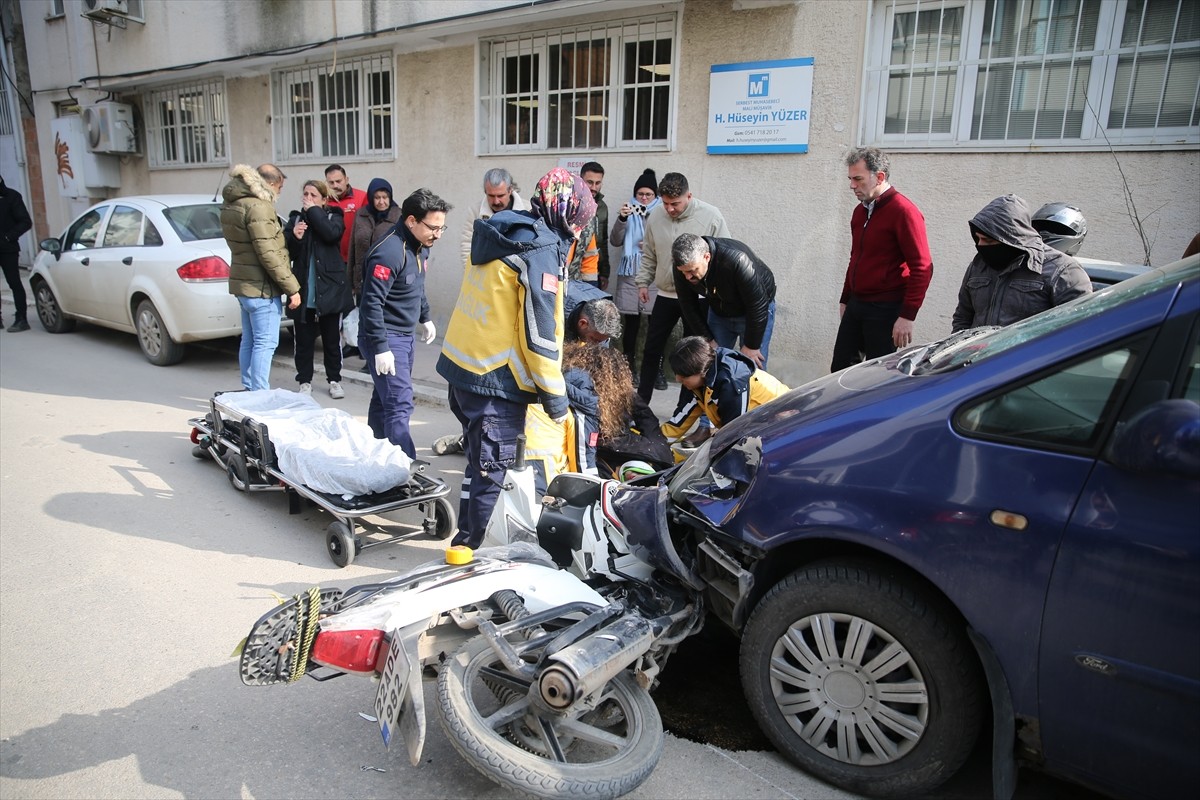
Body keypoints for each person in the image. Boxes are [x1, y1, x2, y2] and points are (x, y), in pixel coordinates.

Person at [437, 167, 595, 549]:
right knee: (493, 473)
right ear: (569, 213)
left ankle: (464, 539)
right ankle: (471, 553)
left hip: (462, 369)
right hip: (495, 379)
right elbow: (539, 334)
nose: (579, 230)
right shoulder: (540, 250)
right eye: (580, 221)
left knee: (478, 464)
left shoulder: (504, 229)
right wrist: (556, 399)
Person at [429, 283, 619, 458]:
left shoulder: (602, 317)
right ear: (582, 324)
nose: (596, 345)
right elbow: (539, 356)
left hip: (559, 347)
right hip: (515, 351)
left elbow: (597, 361)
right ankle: (470, 441)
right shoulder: (551, 308)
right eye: (595, 339)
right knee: (503, 408)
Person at [359, 188, 451, 458]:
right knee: (399, 403)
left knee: (384, 399)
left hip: (404, 335)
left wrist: (425, 316)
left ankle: (377, 455)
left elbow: (416, 284)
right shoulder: (389, 252)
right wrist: (381, 347)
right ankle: (404, 466)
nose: (438, 234)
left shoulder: (420, 246)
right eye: (433, 228)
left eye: (442, 228)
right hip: (386, 337)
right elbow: (371, 303)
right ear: (412, 221)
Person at [831, 147, 933, 373]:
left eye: (858, 179)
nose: (852, 186)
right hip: (857, 304)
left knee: (878, 376)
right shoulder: (859, 212)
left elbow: (923, 267)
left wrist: (907, 315)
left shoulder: (903, 211)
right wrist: (845, 299)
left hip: (886, 308)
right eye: (850, 179)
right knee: (840, 370)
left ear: (879, 177)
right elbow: (856, 257)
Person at [635, 172, 730, 405]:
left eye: (675, 204)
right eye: (665, 203)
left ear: (689, 196)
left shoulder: (711, 216)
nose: (670, 209)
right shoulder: (655, 216)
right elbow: (649, 253)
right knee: (651, 349)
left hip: (698, 298)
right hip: (665, 294)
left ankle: (683, 409)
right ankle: (640, 406)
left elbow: (724, 256)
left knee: (692, 356)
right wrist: (643, 281)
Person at [951, 195, 1092, 332]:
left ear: (1011, 238)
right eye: (978, 239)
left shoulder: (1063, 270)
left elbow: (1079, 330)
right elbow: (962, 319)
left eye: (988, 240)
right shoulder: (978, 266)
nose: (980, 245)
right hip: (980, 349)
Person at [220, 163, 301, 391]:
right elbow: (268, 253)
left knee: (250, 340)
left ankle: (249, 389)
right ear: (271, 183)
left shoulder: (233, 202)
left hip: (244, 285)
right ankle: (259, 394)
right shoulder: (259, 207)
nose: (279, 192)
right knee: (265, 343)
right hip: (261, 288)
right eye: (280, 187)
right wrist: (292, 288)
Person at [283, 179, 353, 398]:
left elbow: (331, 234)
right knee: (303, 341)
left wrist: (313, 211)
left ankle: (334, 380)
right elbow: (287, 252)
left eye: (314, 195)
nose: (308, 198)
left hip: (330, 290)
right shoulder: (296, 218)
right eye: (306, 194)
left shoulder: (334, 216)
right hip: (304, 290)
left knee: (331, 340)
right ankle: (304, 381)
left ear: (324, 199)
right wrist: (295, 238)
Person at [672, 233, 777, 369]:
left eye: (692, 271)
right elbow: (687, 304)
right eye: (683, 272)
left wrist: (751, 345)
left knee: (753, 367)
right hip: (719, 311)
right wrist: (707, 338)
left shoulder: (737, 260)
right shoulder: (682, 267)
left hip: (755, 313)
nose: (687, 277)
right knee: (711, 363)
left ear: (707, 257)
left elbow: (757, 305)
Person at [661, 336, 790, 442]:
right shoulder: (700, 375)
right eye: (676, 373)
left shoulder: (732, 383)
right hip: (752, 424)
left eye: (683, 376)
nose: (678, 379)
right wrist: (656, 441)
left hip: (784, 420)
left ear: (701, 371)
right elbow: (681, 419)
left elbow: (734, 434)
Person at [610, 169, 661, 380]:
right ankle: (630, 368)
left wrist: (651, 245)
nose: (644, 198)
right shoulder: (628, 211)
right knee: (631, 324)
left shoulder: (662, 212)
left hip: (654, 274)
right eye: (640, 194)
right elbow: (615, 241)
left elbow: (669, 241)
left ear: (655, 195)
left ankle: (656, 370)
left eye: (649, 194)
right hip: (630, 274)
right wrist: (622, 218)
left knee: (656, 326)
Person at [460, 167, 531, 266]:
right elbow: (467, 246)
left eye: (500, 196)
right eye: (491, 196)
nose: (496, 201)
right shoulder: (475, 212)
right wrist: (471, 271)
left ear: (510, 190)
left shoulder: (528, 210)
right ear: (485, 191)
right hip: (486, 272)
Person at [348, 177, 402, 299]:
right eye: (377, 198)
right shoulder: (361, 214)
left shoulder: (398, 216)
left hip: (387, 281)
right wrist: (350, 281)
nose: (381, 202)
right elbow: (352, 247)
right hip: (362, 279)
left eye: (385, 197)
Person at [0, 176, 33, 332]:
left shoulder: (12, 196)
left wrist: (8, 237)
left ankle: (21, 319)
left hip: (8, 249)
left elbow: (25, 222)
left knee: (14, 283)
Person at [324, 164, 368, 264]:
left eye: (338, 181)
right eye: (331, 182)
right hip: (330, 259)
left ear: (346, 180)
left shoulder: (362, 197)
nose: (335, 186)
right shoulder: (322, 201)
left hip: (356, 258)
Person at [580, 162, 611, 288]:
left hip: (594, 270)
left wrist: (604, 273)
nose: (594, 187)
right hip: (573, 269)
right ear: (581, 180)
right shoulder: (571, 204)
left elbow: (603, 241)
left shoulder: (602, 207)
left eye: (598, 183)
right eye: (590, 182)